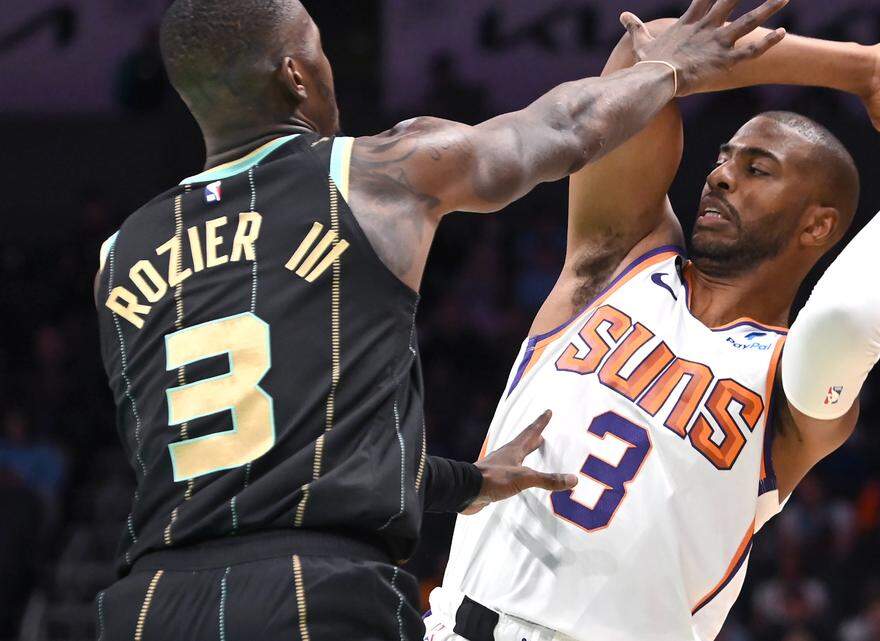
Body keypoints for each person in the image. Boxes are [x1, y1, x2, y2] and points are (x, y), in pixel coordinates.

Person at [91, 0, 791, 639]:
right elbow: (561, 129)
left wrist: (470, 482)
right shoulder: (368, 175)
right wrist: (668, 70)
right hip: (313, 593)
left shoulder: (118, 255)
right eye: (320, 50)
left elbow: (256, 461)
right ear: (296, 76)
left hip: (147, 605)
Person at [428, 15, 880, 641]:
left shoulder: (789, 383)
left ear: (817, 225)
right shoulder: (617, 258)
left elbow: (845, 319)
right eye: (725, 159)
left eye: (757, 169)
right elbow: (648, 53)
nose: (720, 175)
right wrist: (862, 68)